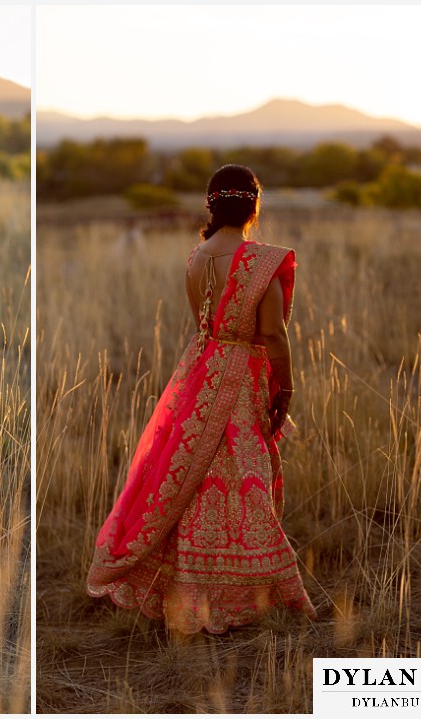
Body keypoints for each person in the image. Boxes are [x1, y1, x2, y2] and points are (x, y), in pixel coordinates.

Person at [87, 164, 315, 634]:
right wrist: (285, 389)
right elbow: (272, 333)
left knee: (191, 476)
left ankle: (189, 588)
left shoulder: (196, 257)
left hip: (199, 372)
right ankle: (248, 591)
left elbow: (206, 327)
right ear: (254, 205)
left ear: (211, 206)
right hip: (240, 380)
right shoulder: (258, 262)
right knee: (245, 478)